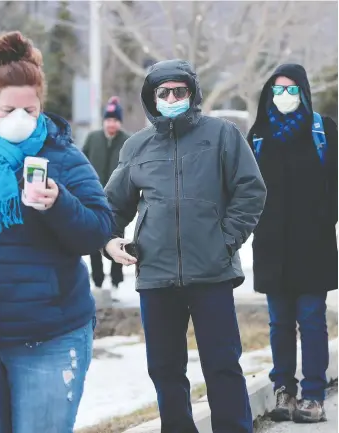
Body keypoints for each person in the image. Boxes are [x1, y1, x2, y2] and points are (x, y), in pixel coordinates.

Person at [0, 31, 112, 433]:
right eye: (7, 109)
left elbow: (99, 231)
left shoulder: (63, 156)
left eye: (30, 110)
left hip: (47, 339)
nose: (20, 119)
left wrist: (59, 204)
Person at [104, 59, 267, 433]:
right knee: (164, 369)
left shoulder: (223, 135)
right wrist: (108, 241)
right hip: (156, 276)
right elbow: (112, 205)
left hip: (211, 272)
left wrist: (227, 240)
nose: (173, 97)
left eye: (180, 90)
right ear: (153, 98)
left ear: (192, 94)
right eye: (164, 93)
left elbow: (251, 189)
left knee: (223, 365)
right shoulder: (137, 147)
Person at [247, 64, 338, 423]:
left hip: (312, 245)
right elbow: (246, 187)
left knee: (312, 319)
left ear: (303, 92)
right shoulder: (259, 133)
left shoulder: (323, 130)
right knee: (279, 322)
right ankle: (283, 390)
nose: (284, 96)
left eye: (291, 89)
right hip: (271, 246)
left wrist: (324, 219)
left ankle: (313, 395)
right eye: (278, 89)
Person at [83, 96, 130, 290]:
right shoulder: (93, 138)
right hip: (95, 197)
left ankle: (117, 278)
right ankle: (98, 278)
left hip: (119, 199)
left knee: (116, 236)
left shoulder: (127, 141)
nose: (112, 124)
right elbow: (83, 163)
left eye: (115, 121)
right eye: (109, 120)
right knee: (95, 237)